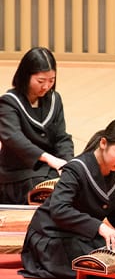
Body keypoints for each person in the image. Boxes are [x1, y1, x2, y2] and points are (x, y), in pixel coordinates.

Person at [19, 118, 115, 279]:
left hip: (82, 235)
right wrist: (100, 227)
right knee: (113, 262)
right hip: (51, 237)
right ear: (103, 143)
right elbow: (59, 209)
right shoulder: (76, 169)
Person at [0, 47, 74, 204]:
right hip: (19, 174)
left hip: (49, 170)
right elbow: (14, 139)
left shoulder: (55, 99)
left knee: (76, 180)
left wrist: (68, 163)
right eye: (40, 81)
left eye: (51, 80)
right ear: (26, 76)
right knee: (47, 192)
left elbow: (62, 137)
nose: (46, 86)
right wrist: (48, 158)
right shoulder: (9, 102)